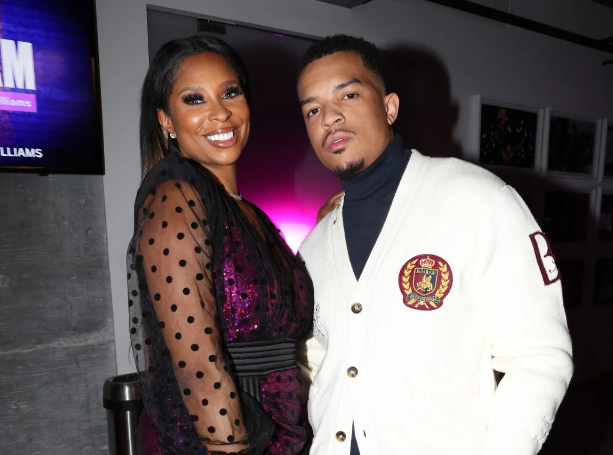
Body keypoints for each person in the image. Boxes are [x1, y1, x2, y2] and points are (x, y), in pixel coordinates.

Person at [297, 35, 573, 455]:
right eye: (312, 109)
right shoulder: (314, 247)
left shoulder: (478, 199)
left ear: (389, 107)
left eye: (348, 95)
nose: (329, 117)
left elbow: (540, 356)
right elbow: (317, 360)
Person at [126, 35, 313, 455]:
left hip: (284, 433)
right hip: (221, 439)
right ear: (166, 120)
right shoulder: (174, 193)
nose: (220, 112)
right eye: (194, 99)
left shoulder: (251, 214)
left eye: (230, 93)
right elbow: (197, 365)